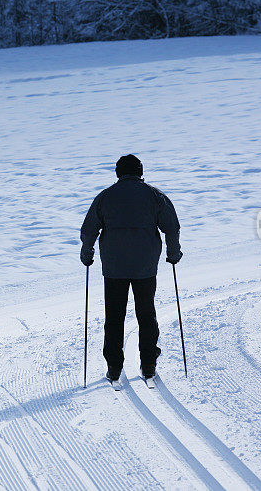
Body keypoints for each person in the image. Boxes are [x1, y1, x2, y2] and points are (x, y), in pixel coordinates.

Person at [80, 154, 182, 383]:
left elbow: (89, 230)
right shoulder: (155, 196)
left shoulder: (105, 197)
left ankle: (114, 367)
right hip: (145, 267)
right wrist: (173, 253)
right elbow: (172, 227)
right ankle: (148, 365)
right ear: (140, 171)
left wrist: (87, 254)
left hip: (114, 267)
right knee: (146, 314)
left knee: (114, 317)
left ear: (118, 173)